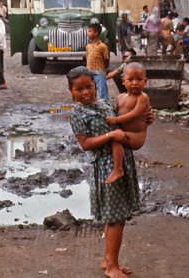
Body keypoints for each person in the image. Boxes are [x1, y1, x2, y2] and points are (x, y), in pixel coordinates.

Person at [67, 66, 140, 278]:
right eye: (79, 89)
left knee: (117, 217)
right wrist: (110, 136)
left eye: (89, 87)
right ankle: (112, 267)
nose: (86, 92)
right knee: (115, 218)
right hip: (106, 166)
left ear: (95, 86)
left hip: (122, 161)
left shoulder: (105, 104)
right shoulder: (78, 114)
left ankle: (109, 260)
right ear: (72, 92)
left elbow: (123, 122)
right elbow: (86, 143)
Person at [104, 63, 152, 184]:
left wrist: (116, 120)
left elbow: (135, 114)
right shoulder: (120, 97)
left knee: (116, 138)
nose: (135, 83)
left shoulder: (142, 97)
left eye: (139, 80)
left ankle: (118, 169)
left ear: (145, 81)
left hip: (137, 135)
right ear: (123, 81)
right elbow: (114, 111)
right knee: (115, 137)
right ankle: (118, 168)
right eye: (130, 80)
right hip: (125, 132)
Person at [86, 22, 111, 101]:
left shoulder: (103, 46)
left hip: (99, 71)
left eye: (90, 31)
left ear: (96, 33)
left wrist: (105, 69)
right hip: (89, 72)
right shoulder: (88, 46)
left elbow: (106, 59)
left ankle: (105, 106)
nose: (88, 33)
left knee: (102, 90)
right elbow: (87, 57)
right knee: (92, 90)